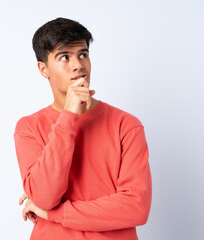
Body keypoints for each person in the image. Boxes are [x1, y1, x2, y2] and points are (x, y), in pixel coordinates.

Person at [13, 17, 152, 240]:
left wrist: (52, 213)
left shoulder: (126, 125)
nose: (78, 64)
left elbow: (135, 208)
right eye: (65, 57)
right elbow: (45, 195)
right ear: (43, 69)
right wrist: (69, 115)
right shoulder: (29, 127)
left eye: (83, 54)